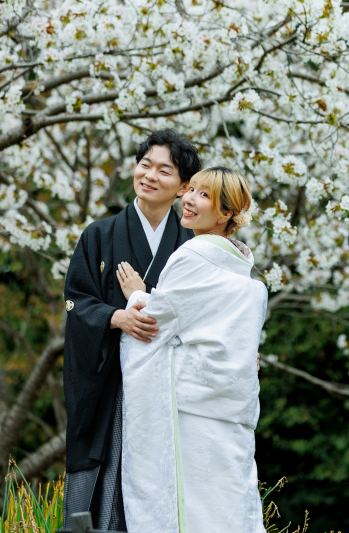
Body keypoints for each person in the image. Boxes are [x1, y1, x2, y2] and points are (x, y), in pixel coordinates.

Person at [62, 129, 201, 531]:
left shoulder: (191, 246)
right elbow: (76, 298)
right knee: (106, 459)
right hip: (111, 380)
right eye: (145, 165)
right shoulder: (99, 235)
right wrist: (115, 316)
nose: (150, 176)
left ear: (182, 188)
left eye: (164, 170)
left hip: (165, 384)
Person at [115, 167, 267, 533]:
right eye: (191, 190)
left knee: (192, 507)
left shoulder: (193, 255)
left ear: (226, 212)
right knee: (228, 501)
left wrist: (136, 295)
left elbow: (155, 322)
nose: (188, 199)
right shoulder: (241, 269)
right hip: (230, 405)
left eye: (203, 195)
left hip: (192, 408)